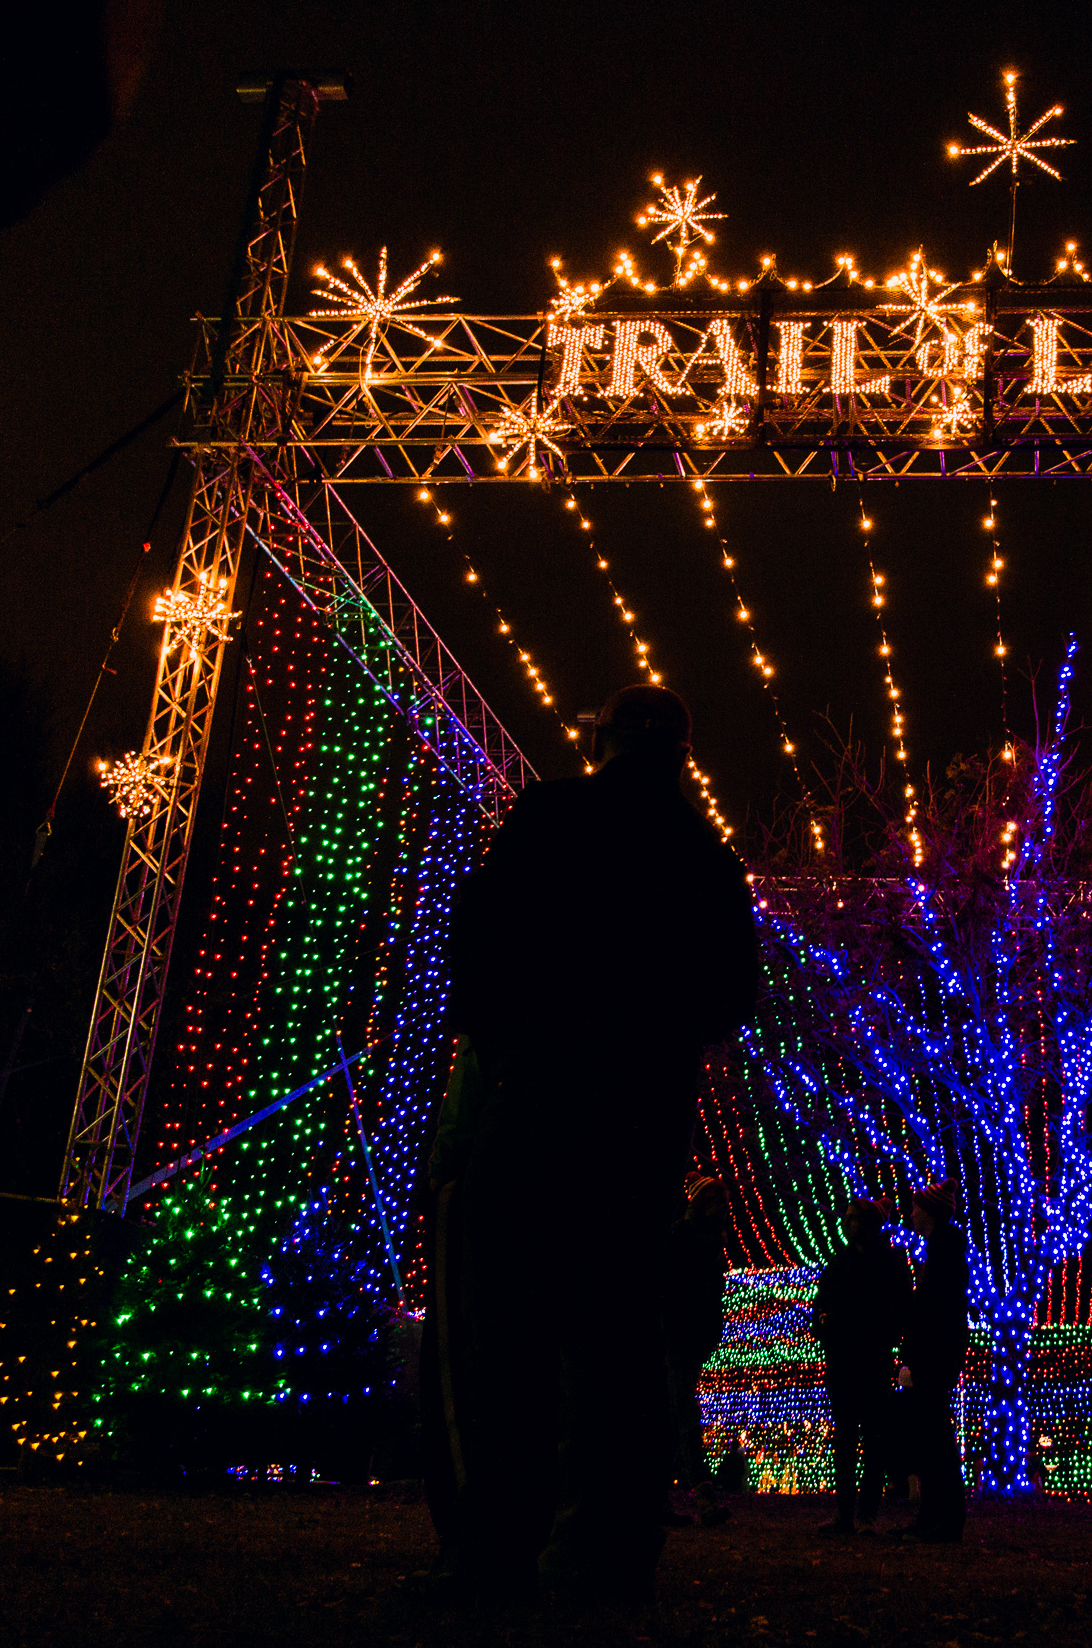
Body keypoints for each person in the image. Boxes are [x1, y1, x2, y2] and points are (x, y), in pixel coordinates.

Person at [431, 682, 761, 1608]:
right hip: (638, 1124)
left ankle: (493, 1551)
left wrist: (508, 1038)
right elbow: (733, 998)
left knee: (512, 1337)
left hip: (534, 1100)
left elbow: (479, 936)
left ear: (604, 740)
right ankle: (607, 1555)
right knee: (616, 1344)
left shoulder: (553, 814)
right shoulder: (705, 855)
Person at [813, 1197, 912, 1535]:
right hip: (843, 1360)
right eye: (848, 1217)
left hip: (871, 1358)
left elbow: (902, 1310)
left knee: (872, 1438)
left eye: (856, 1218)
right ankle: (845, 1513)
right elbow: (821, 1305)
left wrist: (882, 1332)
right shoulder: (840, 1264)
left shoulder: (889, 1262)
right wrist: (826, 1327)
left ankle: (864, 1514)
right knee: (847, 1438)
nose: (850, 1223)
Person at [895, 1180, 970, 1542]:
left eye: (915, 1208)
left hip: (934, 1352)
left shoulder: (944, 1250)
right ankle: (935, 1514)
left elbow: (935, 1309)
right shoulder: (942, 1247)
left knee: (934, 1434)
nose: (911, 1214)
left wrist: (917, 1353)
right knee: (930, 1433)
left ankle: (944, 1517)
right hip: (936, 1350)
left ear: (930, 1212)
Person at [664, 1173, 734, 1528]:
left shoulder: (706, 1241)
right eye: (718, 1201)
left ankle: (658, 1500)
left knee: (673, 1415)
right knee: (683, 1415)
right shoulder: (689, 1239)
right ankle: (703, 1495)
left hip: (688, 1337)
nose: (724, 1209)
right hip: (680, 1336)